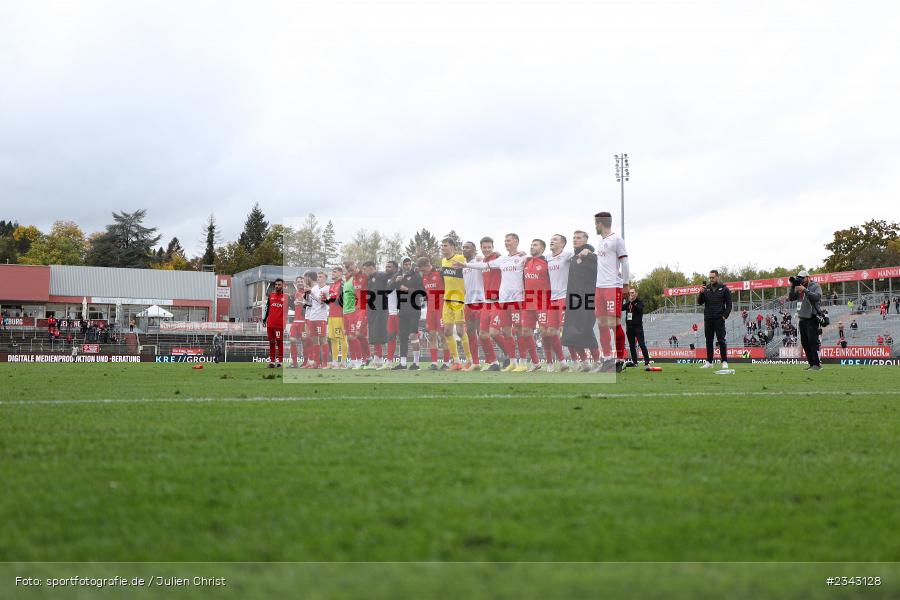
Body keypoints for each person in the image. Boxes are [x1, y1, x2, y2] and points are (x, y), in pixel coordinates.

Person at [593, 211, 630, 372]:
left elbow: (625, 262)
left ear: (600, 223)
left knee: (614, 323)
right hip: (599, 287)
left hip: (612, 286)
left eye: (596, 223)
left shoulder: (617, 240)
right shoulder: (601, 242)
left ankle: (620, 359)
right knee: (601, 323)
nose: (595, 226)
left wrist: (625, 284)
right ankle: (607, 359)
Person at [560, 230, 599, 371]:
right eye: (574, 237)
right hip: (573, 299)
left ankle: (598, 361)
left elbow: (598, 274)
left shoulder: (591, 257)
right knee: (570, 332)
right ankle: (585, 363)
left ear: (585, 240)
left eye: (578, 238)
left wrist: (589, 250)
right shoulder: (572, 257)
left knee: (586, 330)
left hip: (587, 298)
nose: (575, 240)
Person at [440, 238, 471, 370]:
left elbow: (474, 261)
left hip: (459, 299)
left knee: (460, 331)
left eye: (445, 245)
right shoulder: (443, 261)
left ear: (452, 247)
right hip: (447, 300)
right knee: (447, 332)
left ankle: (469, 360)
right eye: (442, 246)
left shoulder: (460, 258)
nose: (443, 248)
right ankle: (456, 361)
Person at [543, 234, 573, 372]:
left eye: (555, 239)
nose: (552, 241)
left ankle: (580, 361)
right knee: (550, 331)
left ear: (562, 244)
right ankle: (562, 362)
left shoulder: (567, 255)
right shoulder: (547, 257)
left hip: (564, 297)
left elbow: (581, 253)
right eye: (551, 239)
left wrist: (587, 249)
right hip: (552, 300)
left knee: (565, 331)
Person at [521, 239, 551, 371]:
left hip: (543, 301)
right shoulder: (526, 262)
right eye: (531, 245)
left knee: (545, 332)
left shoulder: (547, 262)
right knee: (525, 331)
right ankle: (535, 362)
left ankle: (550, 362)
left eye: (535, 245)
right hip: (528, 302)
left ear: (542, 249)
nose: (532, 247)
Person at [390, 257, 425, 370]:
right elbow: (388, 289)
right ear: (402, 265)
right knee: (402, 336)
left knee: (413, 335)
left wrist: (408, 289)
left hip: (414, 308)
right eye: (405, 264)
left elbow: (422, 292)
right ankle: (403, 363)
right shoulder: (398, 275)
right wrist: (395, 281)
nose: (407, 266)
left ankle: (416, 363)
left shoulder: (416, 275)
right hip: (402, 309)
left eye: (409, 264)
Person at [419, 257, 450, 370]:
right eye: (421, 270)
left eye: (424, 270)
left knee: (443, 335)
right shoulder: (423, 277)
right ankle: (434, 363)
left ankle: (446, 363)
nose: (423, 272)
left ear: (428, 265)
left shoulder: (440, 273)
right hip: (430, 309)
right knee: (431, 335)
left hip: (441, 308)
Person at [788, 270, 823, 370]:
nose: (801, 280)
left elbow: (817, 297)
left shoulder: (815, 285)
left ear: (808, 277)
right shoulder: (798, 286)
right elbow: (791, 298)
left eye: (802, 278)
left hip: (812, 317)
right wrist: (793, 286)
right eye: (799, 278)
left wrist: (805, 290)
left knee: (813, 341)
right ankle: (811, 364)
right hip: (802, 317)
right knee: (805, 342)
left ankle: (817, 364)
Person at [697, 270, 732, 369]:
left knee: (721, 340)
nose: (711, 279)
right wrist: (701, 293)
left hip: (719, 319)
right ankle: (709, 362)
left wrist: (724, 316)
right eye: (710, 278)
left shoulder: (724, 289)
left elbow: (729, 304)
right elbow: (700, 302)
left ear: (717, 277)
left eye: (713, 277)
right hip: (708, 318)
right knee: (708, 340)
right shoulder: (706, 288)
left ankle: (724, 361)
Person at [363, 261, 391, 369]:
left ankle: (382, 359)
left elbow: (392, 278)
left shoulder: (381, 275)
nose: (364, 271)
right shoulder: (369, 279)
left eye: (365, 269)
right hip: (372, 309)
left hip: (381, 309)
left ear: (371, 267)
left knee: (380, 334)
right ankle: (377, 359)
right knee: (374, 334)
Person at [304, 271, 330, 368]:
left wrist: (311, 293)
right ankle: (316, 362)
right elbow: (309, 303)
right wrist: (306, 295)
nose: (319, 278)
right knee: (314, 339)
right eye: (318, 277)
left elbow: (322, 302)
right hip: (312, 317)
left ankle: (325, 363)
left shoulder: (327, 289)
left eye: (321, 277)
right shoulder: (314, 288)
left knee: (323, 339)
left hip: (321, 317)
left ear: (325, 278)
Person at [325, 266, 349, 368]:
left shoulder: (342, 284)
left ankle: (343, 362)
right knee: (332, 338)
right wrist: (325, 300)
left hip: (340, 316)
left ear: (340, 273)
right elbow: (331, 301)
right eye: (332, 272)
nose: (333, 273)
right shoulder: (332, 285)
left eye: (335, 272)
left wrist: (330, 299)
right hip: (331, 315)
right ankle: (335, 361)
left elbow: (342, 301)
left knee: (341, 338)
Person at [262, 277, 289, 368]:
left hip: (279, 324)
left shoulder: (286, 297)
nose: (277, 286)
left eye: (279, 285)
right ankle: (272, 362)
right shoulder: (271, 296)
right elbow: (267, 308)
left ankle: (280, 362)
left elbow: (287, 311)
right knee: (271, 342)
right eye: (276, 285)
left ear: (283, 286)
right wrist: (264, 319)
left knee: (279, 342)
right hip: (270, 323)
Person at [623, 288, 650, 367]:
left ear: (636, 294)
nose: (631, 294)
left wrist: (633, 302)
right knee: (631, 345)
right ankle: (635, 362)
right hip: (629, 327)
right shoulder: (628, 303)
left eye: (632, 292)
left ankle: (647, 362)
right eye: (630, 293)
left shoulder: (639, 302)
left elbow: (639, 309)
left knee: (642, 344)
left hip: (638, 327)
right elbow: (621, 308)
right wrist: (622, 298)